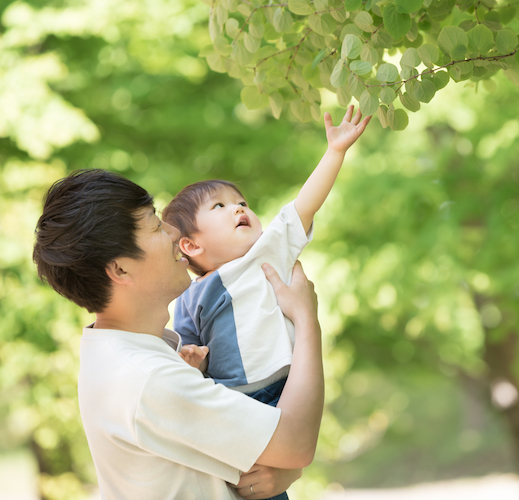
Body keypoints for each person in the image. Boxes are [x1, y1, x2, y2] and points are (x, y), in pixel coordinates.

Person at [33, 168, 324, 500]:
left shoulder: (120, 356)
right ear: (120, 269)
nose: (174, 232)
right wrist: (305, 319)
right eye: (156, 225)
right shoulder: (151, 378)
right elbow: (295, 444)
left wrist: (281, 467)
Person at [160, 106, 369, 476]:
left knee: (275, 472)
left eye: (242, 202)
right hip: (234, 401)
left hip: (285, 390)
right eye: (220, 206)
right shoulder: (189, 295)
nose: (239, 208)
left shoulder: (265, 254)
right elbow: (191, 351)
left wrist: (334, 152)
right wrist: (194, 360)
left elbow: (302, 206)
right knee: (252, 481)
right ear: (191, 246)